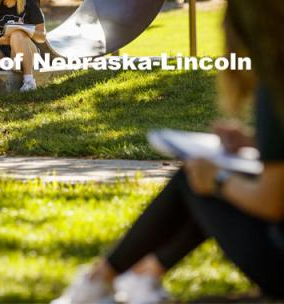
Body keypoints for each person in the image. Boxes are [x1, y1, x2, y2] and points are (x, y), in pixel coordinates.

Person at [52, 16, 284, 304]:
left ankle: (98, 282)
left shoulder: (274, 89)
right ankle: (141, 275)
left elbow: (272, 201)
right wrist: (253, 144)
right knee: (205, 176)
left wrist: (218, 180)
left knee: (193, 179)